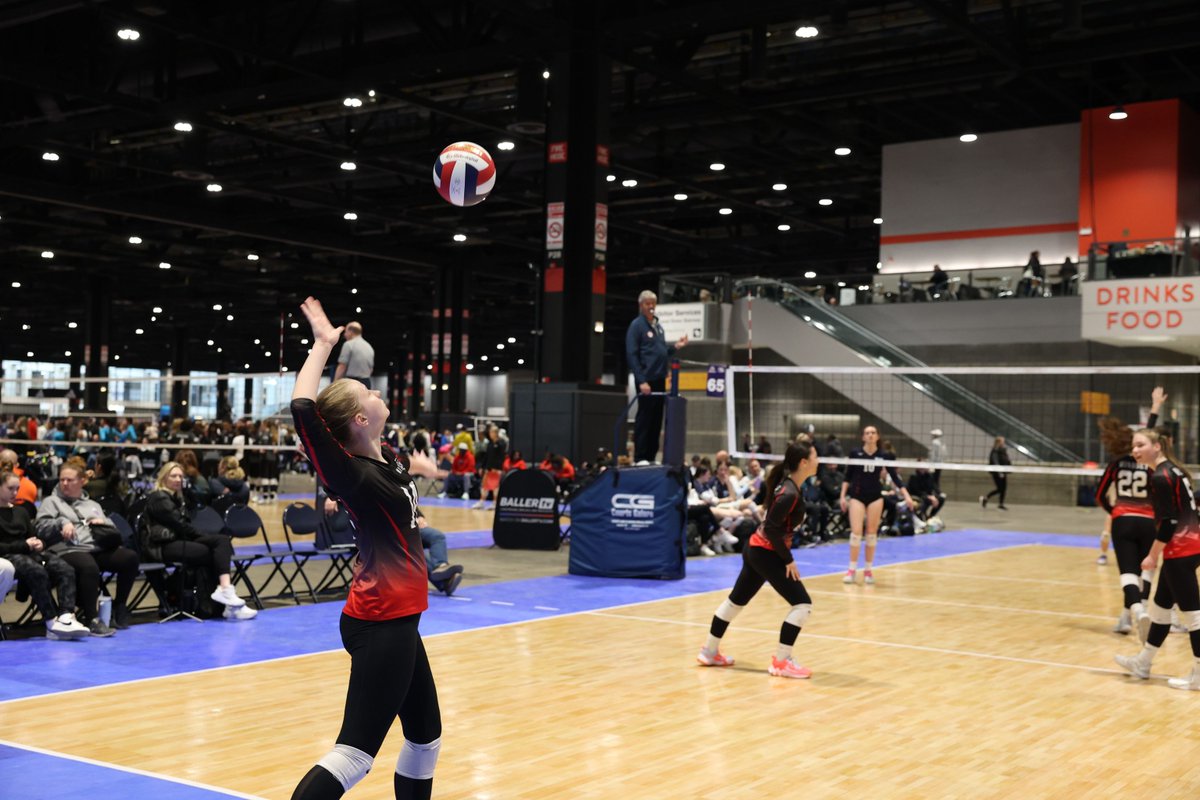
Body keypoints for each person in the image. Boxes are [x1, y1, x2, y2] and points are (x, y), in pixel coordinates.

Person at [290, 296, 445, 799]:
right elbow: (303, 409)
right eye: (366, 390)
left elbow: (398, 506)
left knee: (425, 739)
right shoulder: (353, 472)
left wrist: (425, 475)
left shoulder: (387, 462)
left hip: (401, 617)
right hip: (381, 622)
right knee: (356, 755)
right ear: (359, 418)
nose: (375, 390)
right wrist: (321, 346)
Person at [696, 440, 820, 679]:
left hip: (756, 550)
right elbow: (772, 530)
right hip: (766, 553)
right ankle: (781, 662)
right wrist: (788, 560)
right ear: (804, 463)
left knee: (735, 602)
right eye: (815, 456)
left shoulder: (791, 486)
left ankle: (709, 651)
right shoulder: (790, 492)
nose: (819, 461)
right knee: (803, 604)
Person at [1113, 427, 1200, 690]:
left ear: (1157, 447)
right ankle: (1143, 662)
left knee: (1194, 616)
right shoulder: (1171, 470)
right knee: (1160, 609)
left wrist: (1152, 555)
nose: (1135, 450)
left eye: (1140, 445)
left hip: (1181, 550)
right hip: (1189, 546)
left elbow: (1169, 522)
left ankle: (1198, 674)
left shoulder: (1161, 477)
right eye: (1133, 446)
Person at [34, 460, 141, 634]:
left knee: (129, 557)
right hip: (65, 549)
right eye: (62, 480)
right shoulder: (51, 502)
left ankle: (120, 606)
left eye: (70, 480)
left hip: (96, 548)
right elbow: (39, 528)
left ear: (82, 481)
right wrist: (61, 523)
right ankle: (92, 618)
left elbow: (113, 530)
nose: (65, 484)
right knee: (88, 565)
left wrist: (102, 523)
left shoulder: (92, 504)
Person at [141, 462, 257, 621]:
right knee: (211, 550)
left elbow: (195, 507)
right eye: (173, 476)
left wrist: (187, 491)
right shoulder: (159, 498)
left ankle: (225, 594)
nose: (177, 479)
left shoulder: (178, 497)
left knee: (221, 542)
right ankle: (222, 601)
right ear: (163, 477)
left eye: (180, 476)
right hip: (162, 546)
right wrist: (201, 535)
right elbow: (180, 525)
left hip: (180, 539)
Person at [1096, 387, 1164, 634]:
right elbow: (1149, 433)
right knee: (1145, 568)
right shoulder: (1148, 462)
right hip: (1148, 521)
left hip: (1123, 519)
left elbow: (1099, 493)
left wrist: (1113, 510)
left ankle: (1133, 611)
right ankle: (1133, 612)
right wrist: (1155, 407)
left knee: (1128, 571)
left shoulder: (1115, 463)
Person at [0, 470, 89, 640]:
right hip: (9, 555)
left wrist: (41, 544)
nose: (15, 493)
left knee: (65, 568)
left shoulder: (21, 511)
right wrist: (23, 545)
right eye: (10, 488)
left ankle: (66, 615)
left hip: (29, 552)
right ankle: (50, 621)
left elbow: (33, 534)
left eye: (17, 488)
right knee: (36, 570)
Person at [839, 425, 914, 584]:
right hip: (857, 496)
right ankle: (851, 570)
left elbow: (895, 477)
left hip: (875, 497)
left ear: (878, 436)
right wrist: (842, 496)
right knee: (856, 533)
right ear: (863, 437)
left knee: (871, 534)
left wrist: (906, 496)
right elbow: (848, 476)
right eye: (867, 433)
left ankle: (868, 571)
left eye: (873, 432)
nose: (870, 435)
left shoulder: (884, 455)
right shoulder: (855, 453)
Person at [625, 289, 688, 463]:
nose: (651, 306)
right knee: (645, 419)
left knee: (656, 420)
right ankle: (640, 457)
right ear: (641, 305)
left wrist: (676, 346)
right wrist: (641, 380)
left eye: (653, 303)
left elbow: (662, 352)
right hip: (647, 380)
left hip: (660, 379)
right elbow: (632, 354)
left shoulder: (658, 327)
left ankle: (651, 456)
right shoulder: (637, 326)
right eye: (647, 303)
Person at [473, 425, 506, 511]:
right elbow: (486, 456)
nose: (490, 433)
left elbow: (501, 457)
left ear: (496, 433)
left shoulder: (501, 443)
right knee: (484, 485)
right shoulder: (490, 444)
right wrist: (482, 467)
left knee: (495, 487)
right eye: (490, 432)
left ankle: (495, 503)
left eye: (491, 432)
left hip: (496, 469)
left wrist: (497, 468)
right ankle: (481, 502)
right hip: (488, 468)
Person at [334, 320, 375, 388]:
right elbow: (371, 369)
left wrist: (334, 384)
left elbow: (342, 366)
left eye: (346, 332)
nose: (344, 334)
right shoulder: (369, 347)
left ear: (351, 332)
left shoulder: (348, 344)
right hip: (367, 383)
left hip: (353, 384)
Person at [981, 436, 1011, 510]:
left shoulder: (1003, 450)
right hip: (997, 472)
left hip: (1004, 471)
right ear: (998, 442)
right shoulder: (995, 450)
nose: (1004, 442)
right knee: (1000, 489)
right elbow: (995, 461)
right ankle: (986, 497)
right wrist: (999, 471)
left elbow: (1006, 460)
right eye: (1002, 441)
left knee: (1003, 489)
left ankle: (1001, 504)